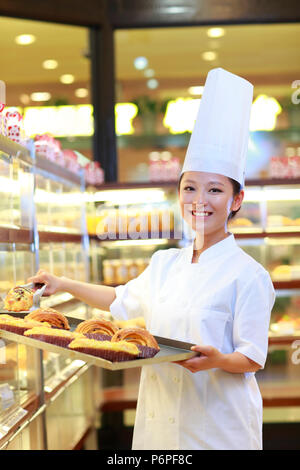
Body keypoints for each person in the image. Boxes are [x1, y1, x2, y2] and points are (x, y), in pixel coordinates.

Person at [28, 68, 275, 450]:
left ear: (235, 200)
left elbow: (252, 357)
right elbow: (119, 300)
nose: (199, 200)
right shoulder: (166, 263)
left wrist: (217, 360)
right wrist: (62, 284)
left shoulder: (249, 275)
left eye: (214, 190)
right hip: (158, 431)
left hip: (219, 432)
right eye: (189, 187)